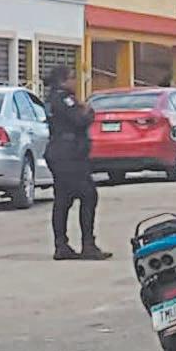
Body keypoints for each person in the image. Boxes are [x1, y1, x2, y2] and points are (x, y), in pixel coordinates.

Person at [43, 65, 111, 261]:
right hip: (69, 155)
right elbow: (80, 119)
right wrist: (88, 112)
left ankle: (61, 245)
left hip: (59, 152)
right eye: (72, 77)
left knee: (63, 199)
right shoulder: (64, 98)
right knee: (88, 195)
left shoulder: (51, 99)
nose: (75, 81)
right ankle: (87, 245)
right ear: (63, 80)